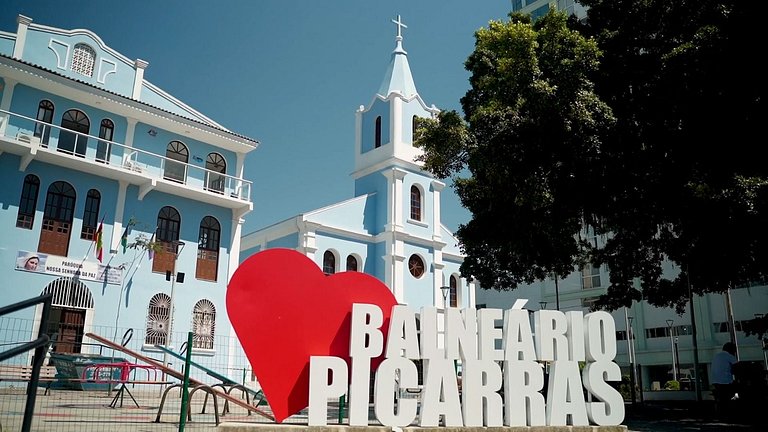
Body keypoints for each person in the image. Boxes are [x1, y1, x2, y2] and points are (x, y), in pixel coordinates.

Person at [711, 342, 738, 409]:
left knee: (722, 398)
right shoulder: (730, 356)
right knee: (735, 393)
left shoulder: (716, 356)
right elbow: (737, 369)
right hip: (726, 382)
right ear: (731, 350)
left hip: (715, 382)